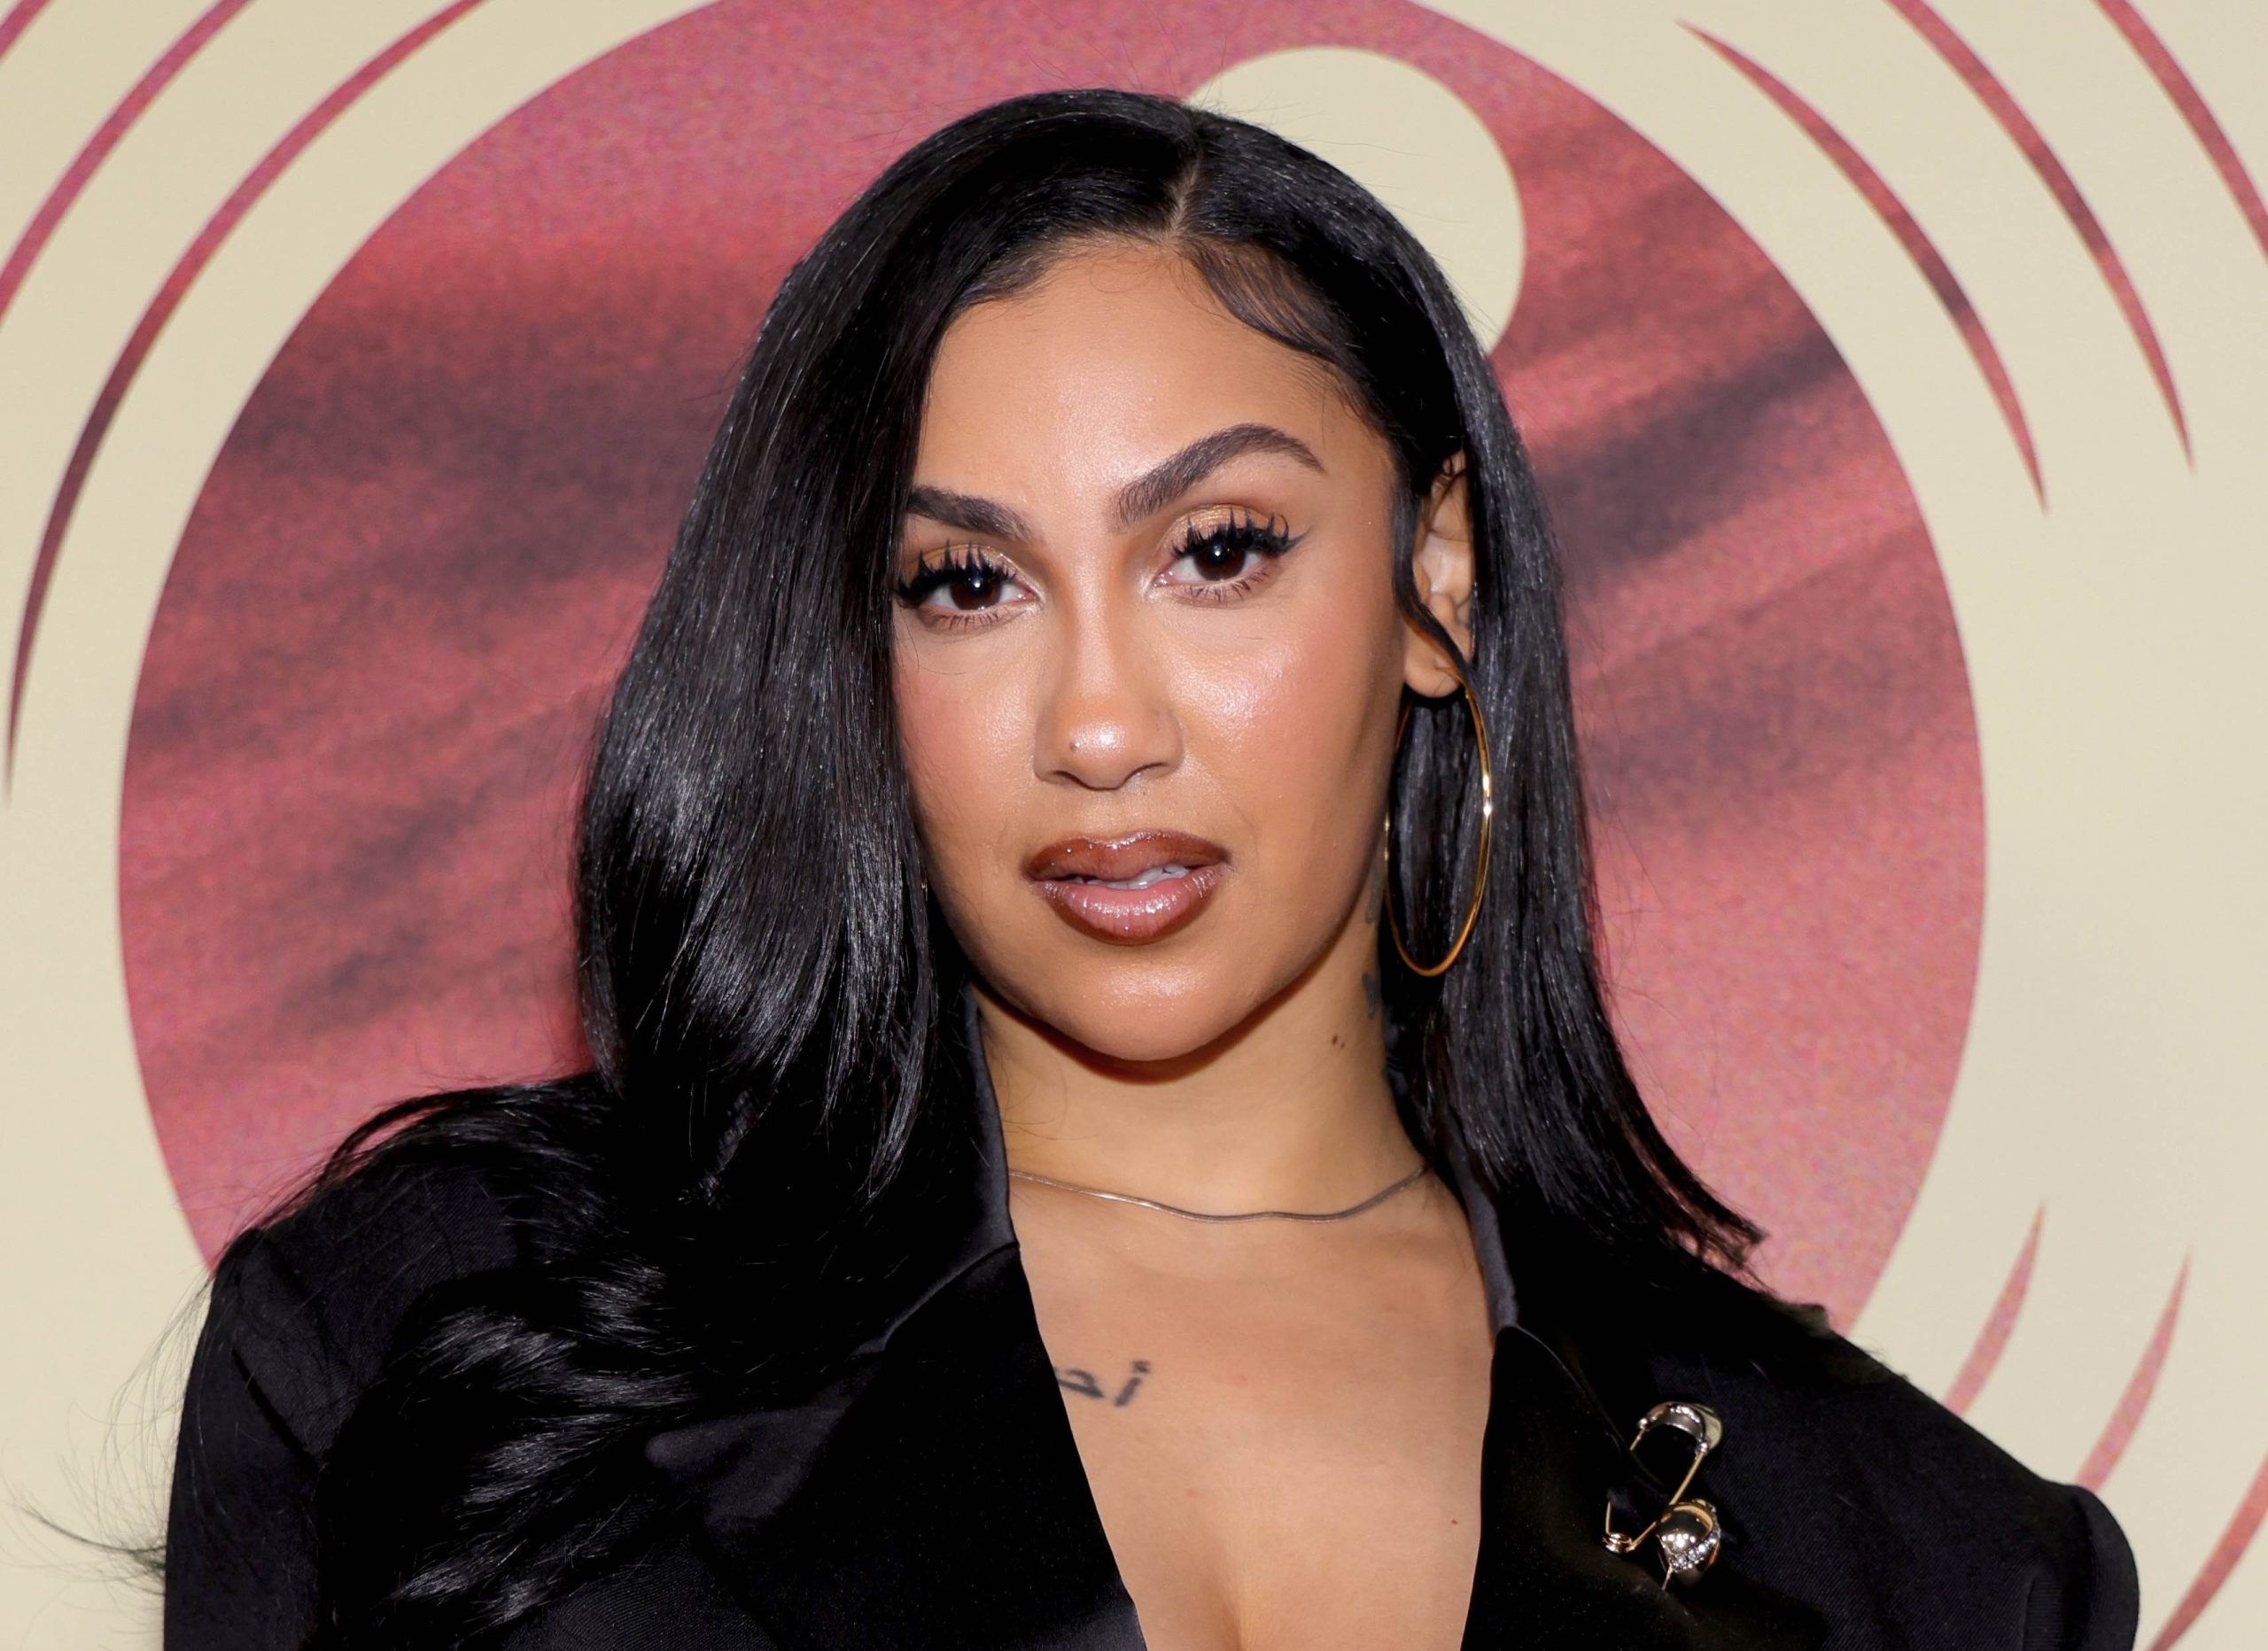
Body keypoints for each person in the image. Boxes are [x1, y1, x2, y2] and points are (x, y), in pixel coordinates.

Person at [160, 86, 2139, 1650]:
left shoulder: (1926, 1560)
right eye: (967, 582)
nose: (1098, 726)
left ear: (1434, 577)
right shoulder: (428, 1341)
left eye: (1217, 551)